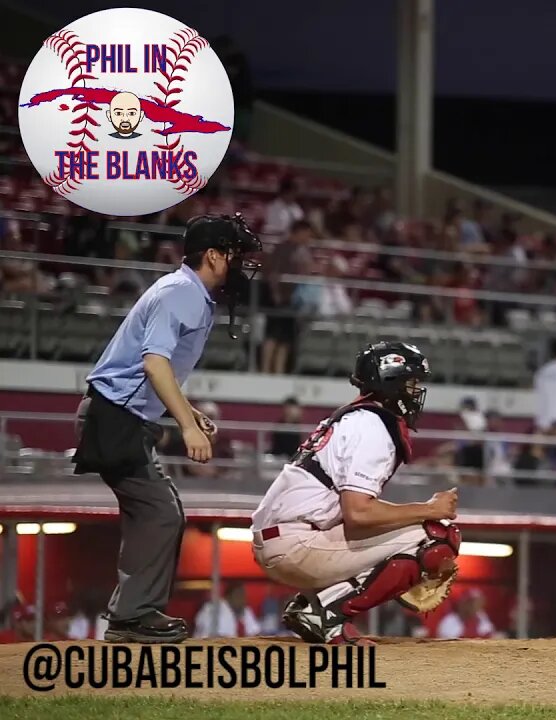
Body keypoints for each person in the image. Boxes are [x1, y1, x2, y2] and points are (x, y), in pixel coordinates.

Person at [72, 213, 262, 644]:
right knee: (160, 513)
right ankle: (132, 617)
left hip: (119, 415)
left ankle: (133, 615)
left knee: (158, 512)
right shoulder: (183, 293)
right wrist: (186, 428)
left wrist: (189, 413)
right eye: (235, 254)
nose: (242, 264)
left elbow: (157, 370)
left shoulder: (186, 292)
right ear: (212, 256)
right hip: (113, 416)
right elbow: (154, 363)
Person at [249, 341, 461, 645]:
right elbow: (359, 514)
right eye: (411, 383)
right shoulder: (372, 427)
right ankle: (328, 615)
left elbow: (356, 508)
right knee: (436, 537)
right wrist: (430, 509)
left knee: (413, 526)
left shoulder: (357, 419)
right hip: (296, 542)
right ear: (393, 384)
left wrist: (421, 510)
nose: (416, 393)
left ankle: (310, 606)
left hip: (283, 537)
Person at [194, 583, 262, 638]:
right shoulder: (213, 608)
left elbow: (255, 632)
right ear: (228, 597)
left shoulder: (245, 610)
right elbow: (211, 636)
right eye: (238, 595)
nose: (242, 599)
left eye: (244, 596)